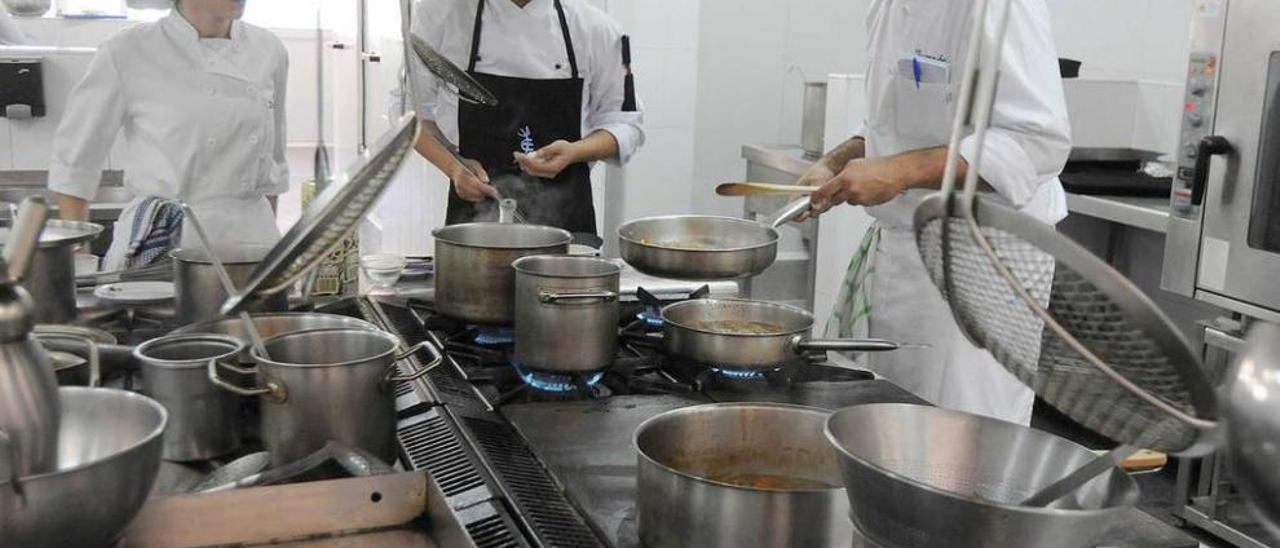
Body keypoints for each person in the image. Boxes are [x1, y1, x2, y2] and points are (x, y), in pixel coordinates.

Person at [798, 0, 1071, 425]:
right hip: (905, 256)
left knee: (960, 442)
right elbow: (888, 122)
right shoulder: (886, 7)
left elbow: (1034, 142)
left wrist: (901, 172)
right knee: (885, 430)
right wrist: (835, 163)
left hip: (977, 263)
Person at [49, 0, 287, 270]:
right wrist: (79, 259)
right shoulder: (127, 50)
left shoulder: (269, 49)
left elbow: (274, 166)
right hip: (167, 240)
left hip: (254, 241)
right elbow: (75, 164)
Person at [409, 0, 644, 240]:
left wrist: (574, 152)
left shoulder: (595, 28)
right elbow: (411, 115)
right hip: (476, 217)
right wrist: (454, 167)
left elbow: (625, 124)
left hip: (568, 219)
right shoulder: (441, 15)